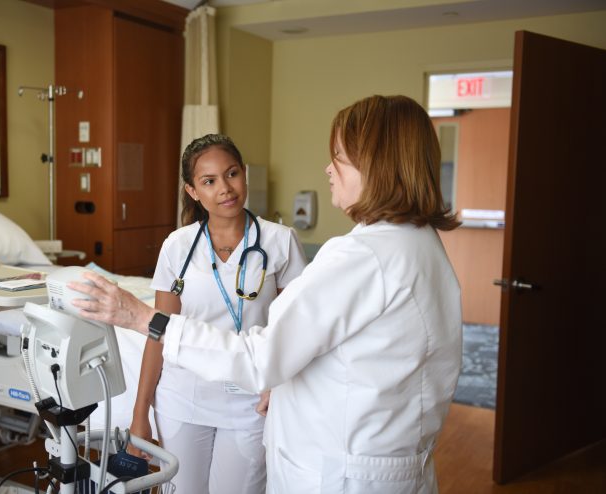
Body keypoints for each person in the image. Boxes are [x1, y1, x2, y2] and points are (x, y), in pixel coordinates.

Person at [70, 95, 462, 494]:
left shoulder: (358, 256)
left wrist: (140, 317)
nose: (328, 168)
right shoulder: (421, 246)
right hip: (382, 461)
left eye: (339, 155)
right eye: (208, 181)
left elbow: (262, 357)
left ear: (376, 163)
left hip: (340, 470)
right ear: (192, 191)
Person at [126, 134, 307, 493]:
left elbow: (297, 328)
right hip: (183, 397)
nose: (225, 188)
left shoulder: (279, 241)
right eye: (209, 181)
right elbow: (159, 330)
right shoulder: (177, 246)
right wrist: (139, 414)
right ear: (193, 191)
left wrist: (278, 382)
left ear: (244, 175)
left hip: (251, 401)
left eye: (232, 173)